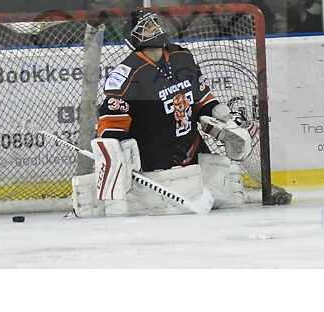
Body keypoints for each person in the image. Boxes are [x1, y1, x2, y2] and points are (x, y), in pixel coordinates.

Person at [71, 10, 291, 217]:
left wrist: (217, 113)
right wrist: (114, 157)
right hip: (154, 163)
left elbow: (201, 97)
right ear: (134, 38)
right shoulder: (127, 74)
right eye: (147, 26)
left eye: (155, 23)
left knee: (231, 193)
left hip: (192, 153)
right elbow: (112, 126)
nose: (155, 28)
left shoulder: (181, 57)